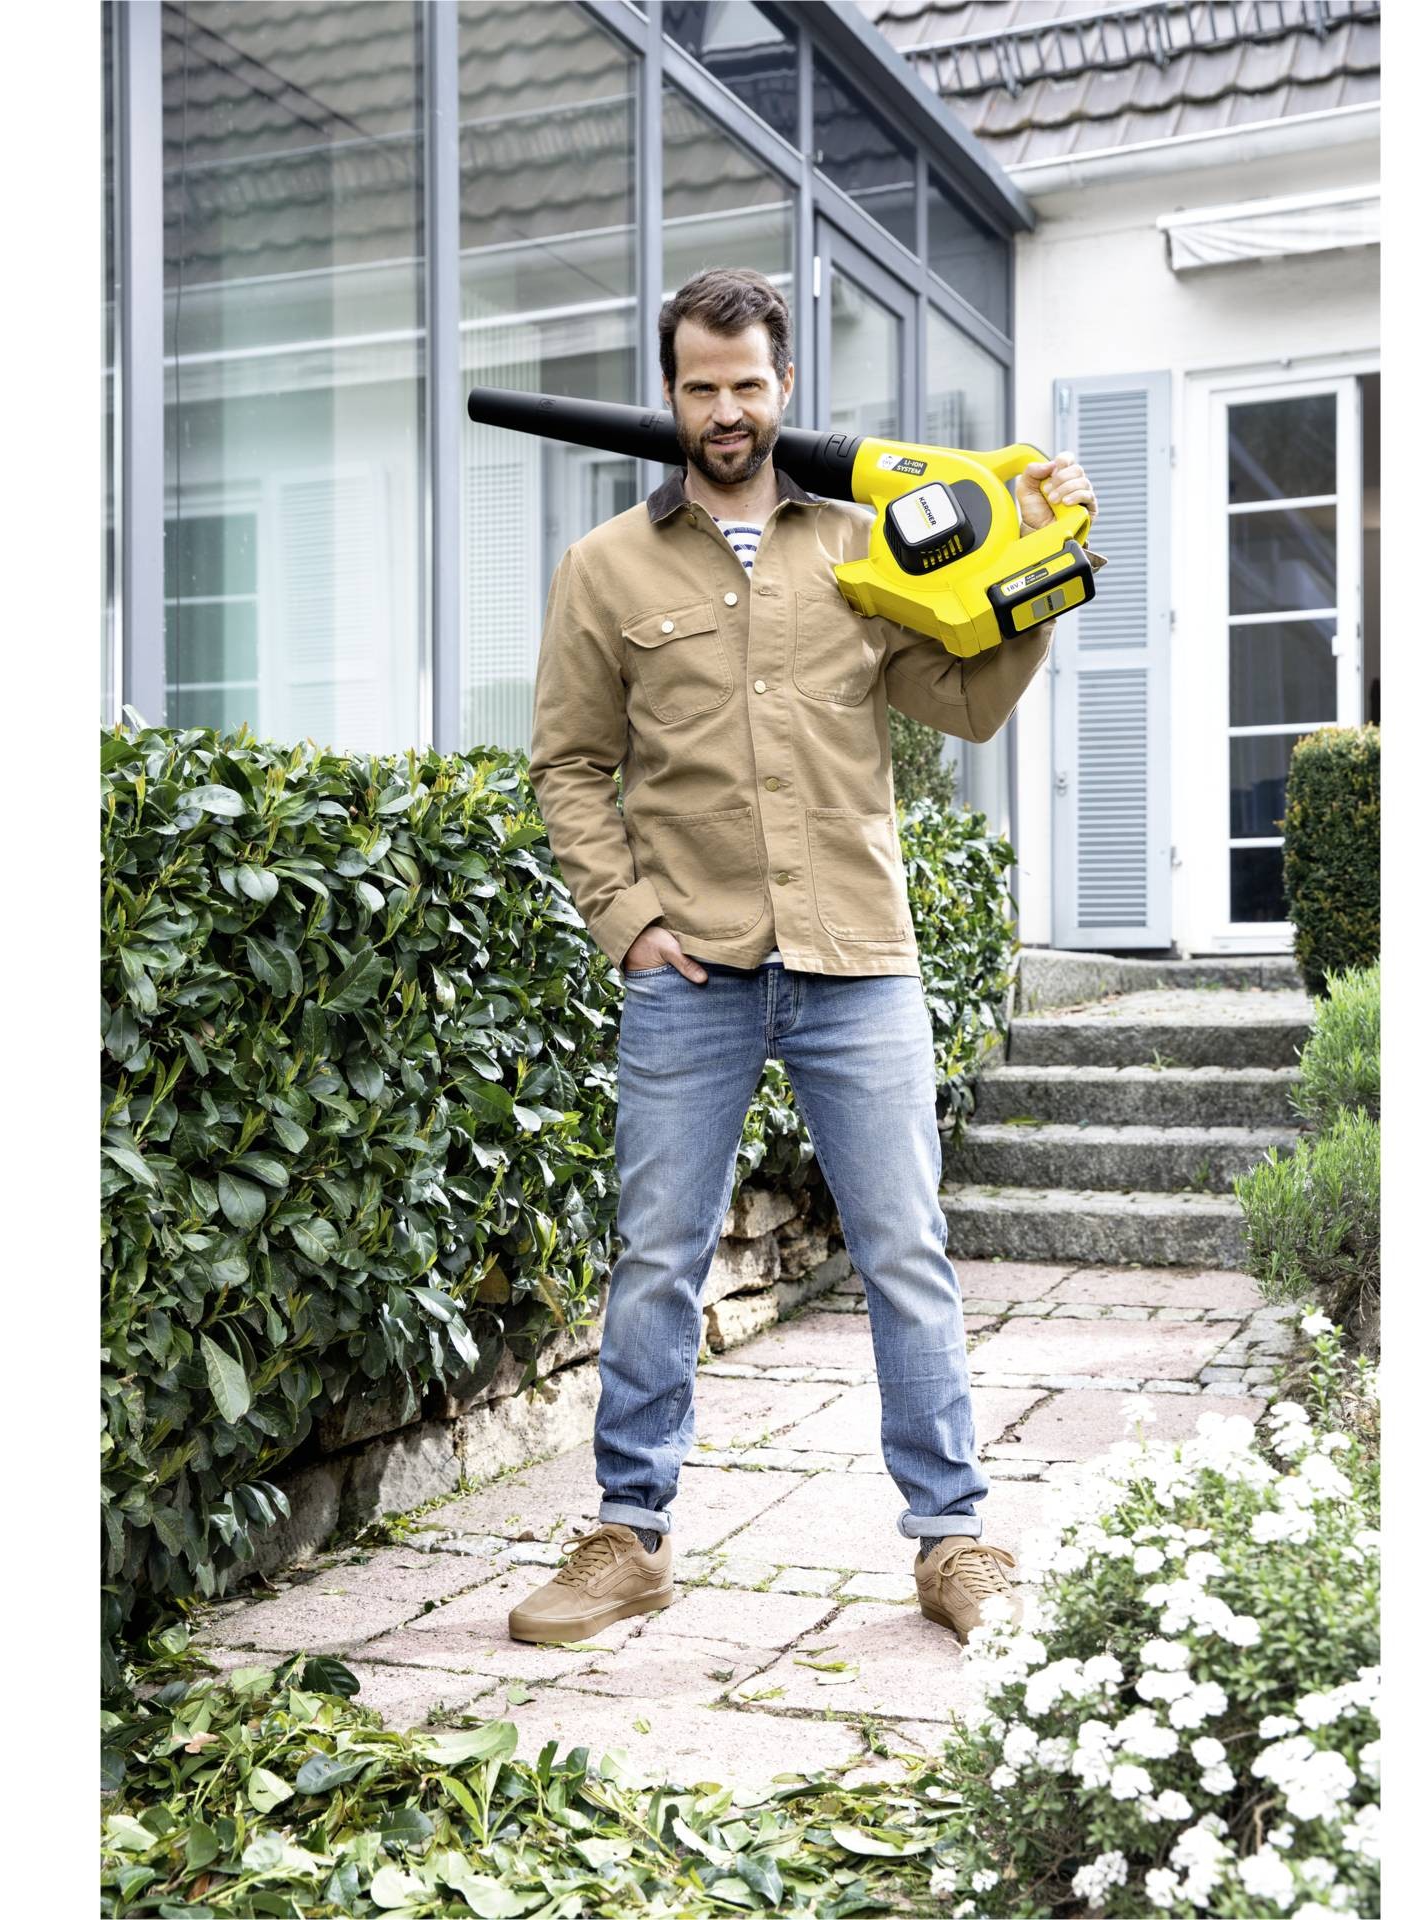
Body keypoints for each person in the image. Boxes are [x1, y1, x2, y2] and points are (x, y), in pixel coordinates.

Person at [512, 266, 1099, 1649]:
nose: (725, 410)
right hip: (691, 969)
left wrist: (1041, 574)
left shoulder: (862, 542)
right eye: (700, 387)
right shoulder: (604, 568)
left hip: (857, 952)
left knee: (906, 1252)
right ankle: (630, 1536)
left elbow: (962, 705)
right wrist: (627, 922)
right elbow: (570, 765)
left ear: (784, 385)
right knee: (657, 1257)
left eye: (748, 384)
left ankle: (952, 1541)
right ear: (671, 394)